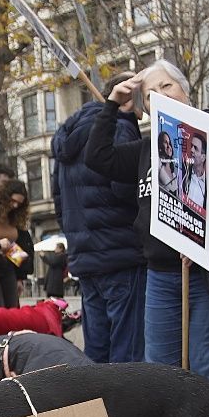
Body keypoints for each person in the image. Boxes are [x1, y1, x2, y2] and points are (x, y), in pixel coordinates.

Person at [85, 60, 209, 393]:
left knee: (208, 376)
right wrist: (112, 104)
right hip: (160, 276)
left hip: (208, 272)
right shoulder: (148, 149)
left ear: (185, 89)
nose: (160, 95)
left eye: (166, 85)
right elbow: (98, 157)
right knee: (160, 379)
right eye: (150, 93)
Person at [50, 78, 146, 363]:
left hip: (86, 258)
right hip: (122, 254)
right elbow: (126, 190)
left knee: (97, 348)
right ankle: (126, 407)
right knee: (127, 350)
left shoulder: (69, 135)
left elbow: (59, 202)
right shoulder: (120, 128)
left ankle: (99, 405)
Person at [0, 177, 32, 307]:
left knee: (12, 309)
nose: (15, 206)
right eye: (13, 201)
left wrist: (20, 278)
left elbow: (20, 250)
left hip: (10, 269)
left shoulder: (16, 219)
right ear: (5, 197)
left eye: (19, 203)